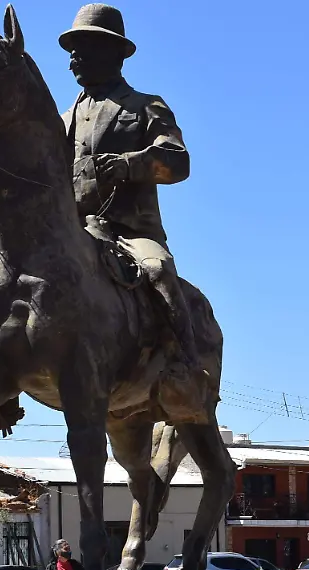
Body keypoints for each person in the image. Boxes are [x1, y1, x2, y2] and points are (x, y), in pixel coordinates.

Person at [58, 3, 207, 415]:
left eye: (84, 49)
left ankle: (185, 367)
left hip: (128, 232)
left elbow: (178, 162)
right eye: (72, 50)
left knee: (158, 270)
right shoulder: (63, 118)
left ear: (115, 53)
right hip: (74, 231)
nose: (74, 59)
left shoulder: (145, 106)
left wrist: (130, 164)